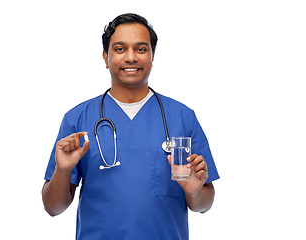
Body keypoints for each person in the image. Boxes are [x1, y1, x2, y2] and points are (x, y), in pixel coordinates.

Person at [42, 13, 219, 240]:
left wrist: (194, 190)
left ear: (153, 55)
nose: (131, 57)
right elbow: (52, 208)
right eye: (119, 49)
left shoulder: (182, 118)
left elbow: (204, 205)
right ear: (105, 58)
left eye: (141, 49)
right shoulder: (78, 119)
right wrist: (63, 170)